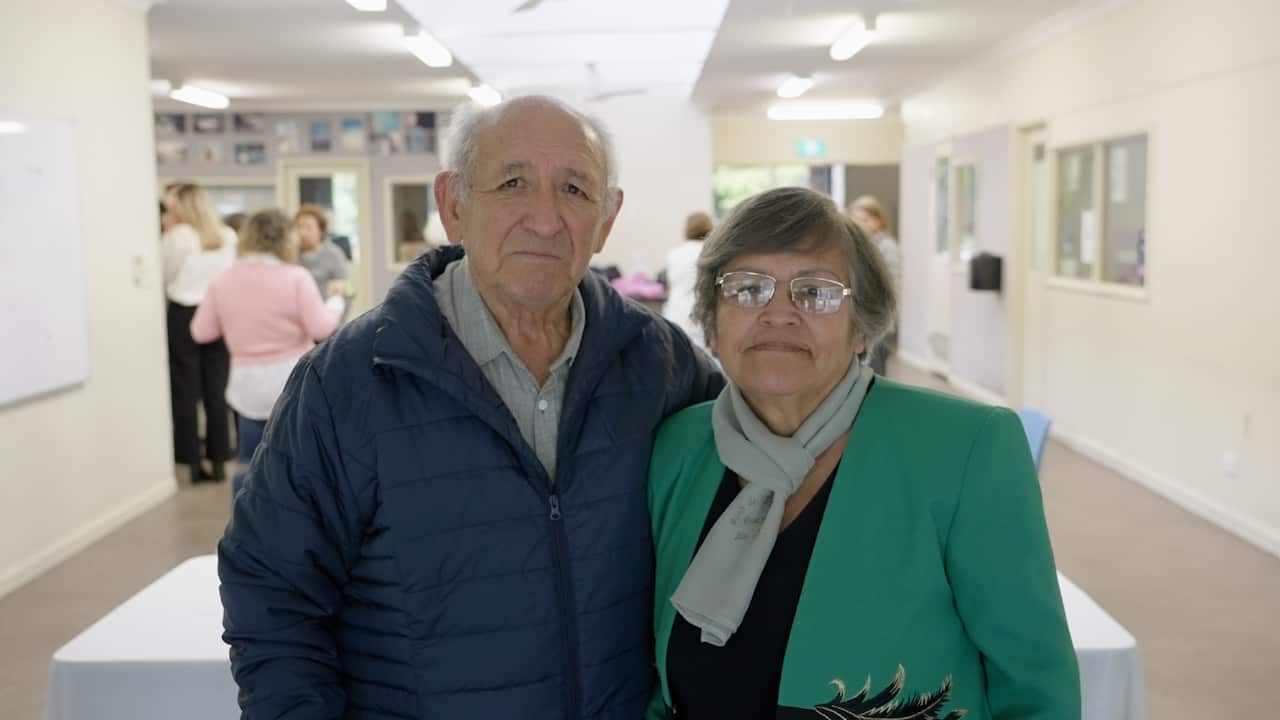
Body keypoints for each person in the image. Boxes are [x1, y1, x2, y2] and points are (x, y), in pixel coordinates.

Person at [218, 95, 724, 719]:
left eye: (574, 189)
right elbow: (273, 600)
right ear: (453, 204)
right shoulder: (347, 382)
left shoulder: (661, 366)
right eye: (513, 183)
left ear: (606, 219)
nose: (545, 217)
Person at [648, 187, 1079, 719]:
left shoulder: (965, 450)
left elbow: (1037, 688)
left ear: (863, 327)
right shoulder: (676, 449)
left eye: (816, 292)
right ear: (711, 322)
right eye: (747, 288)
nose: (778, 313)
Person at [190, 209, 344, 498]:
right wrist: (335, 302)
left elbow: (201, 331)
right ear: (287, 239)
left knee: (249, 466)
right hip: (292, 384)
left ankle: (245, 534)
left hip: (246, 388)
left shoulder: (223, 280)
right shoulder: (296, 277)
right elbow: (321, 327)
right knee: (300, 465)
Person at [161, 182, 236, 482]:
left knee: (185, 390)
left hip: (184, 313)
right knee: (216, 390)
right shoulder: (227, 236)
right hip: (218, 314)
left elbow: (164, 276)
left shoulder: (177, 236)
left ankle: (191, 462)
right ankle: (219, 460)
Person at [849, 195, 900, 374]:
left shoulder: (887, 246)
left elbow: (890, 285)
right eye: (855, 219)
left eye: (864, 219)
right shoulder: (861, 245)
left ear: (878, 221)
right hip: (864, 317)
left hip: (879, 318)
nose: (858, 223)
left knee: (875, 368)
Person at [662, 211, 713, 346]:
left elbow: (670, 287)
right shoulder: (710, 252)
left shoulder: (674, 254)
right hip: (700, 316)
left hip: (675, 312)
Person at [295, 203, 350, 298]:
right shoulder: (291, 254)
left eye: (308, 227)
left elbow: (346, 292)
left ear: (321, 230)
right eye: (299, 227)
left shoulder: (334, 255)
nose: (302, 233)